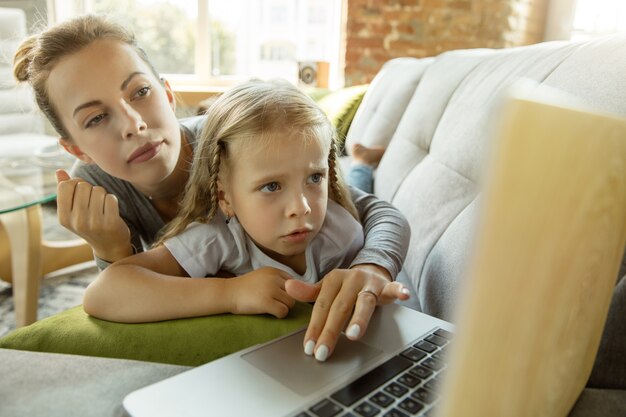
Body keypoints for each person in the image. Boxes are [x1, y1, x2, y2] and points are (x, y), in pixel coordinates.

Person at [13, 14, 410, 361]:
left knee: (355, 177)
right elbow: (118, 295)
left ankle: (360, 160)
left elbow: (366, 210)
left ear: (168, 94)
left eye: (140, 92)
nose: (133, 123)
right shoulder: (96, 192)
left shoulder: (235, 145)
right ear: (75, 148)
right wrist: (110, 249)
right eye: (97, 117)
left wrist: (372, 265)